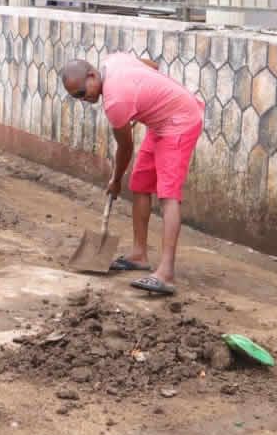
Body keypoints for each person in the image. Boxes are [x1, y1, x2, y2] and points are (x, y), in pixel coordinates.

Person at [60, 53, 204, 296]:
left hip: (180, 121)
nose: (83, 100)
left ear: (92, 75)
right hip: (160, 121)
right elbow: (152, 66)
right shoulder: (112, 61)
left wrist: (115, 180)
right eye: (76, 97)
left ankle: (166, 273)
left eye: (83, 93)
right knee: (140, 184)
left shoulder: (115, 102)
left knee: (168, 194)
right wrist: (145, 98)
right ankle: (139, 255)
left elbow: (125, 148)